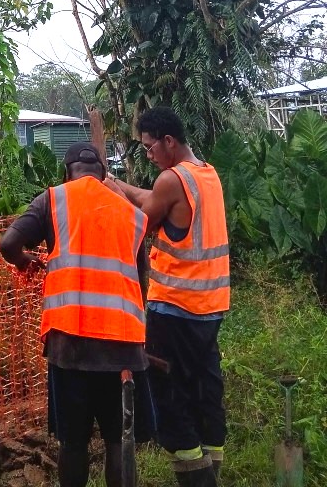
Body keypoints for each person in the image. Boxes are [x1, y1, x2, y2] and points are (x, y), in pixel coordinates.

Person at [0, 138, 150, 487]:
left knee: (73, 441)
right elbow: (141, 280)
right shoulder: (133, 214)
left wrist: (24, 260)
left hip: (70, 343)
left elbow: (7, 244)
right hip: (123, 345)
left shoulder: (53, 199)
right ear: (103, 173)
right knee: (118, 440)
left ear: (66, 172)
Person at [109, 106, 230, 487]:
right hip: (209, 308)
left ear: (168, 141)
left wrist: (114, 192)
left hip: (175, 306)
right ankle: (212, 465)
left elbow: (143, 217)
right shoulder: (204, 174)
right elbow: (153, 198)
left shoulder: (171, 180)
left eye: (149, 147)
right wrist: (121, 186)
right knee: (203, 390)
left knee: (169, 394)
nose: (148, 154)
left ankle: (196, 477)